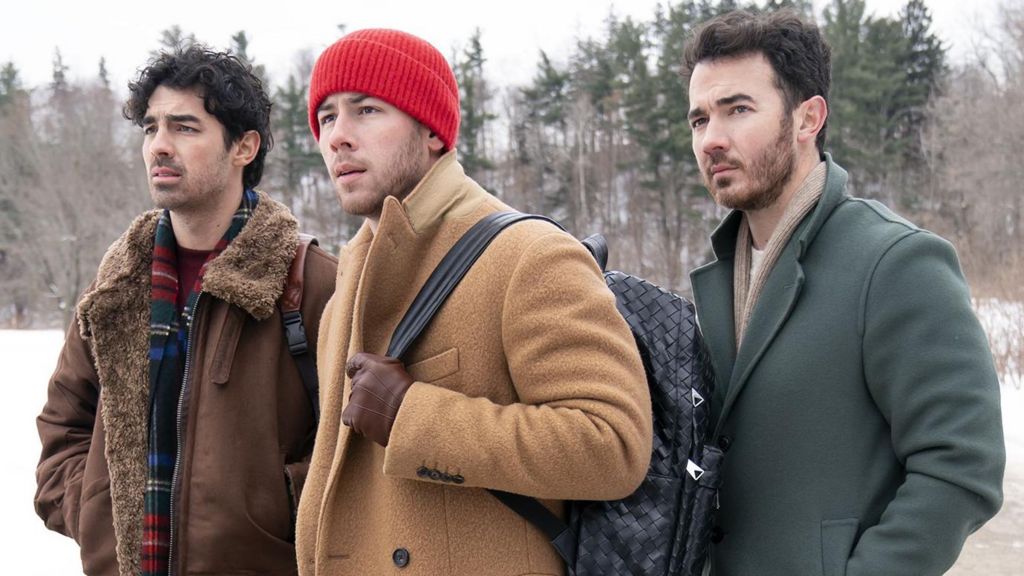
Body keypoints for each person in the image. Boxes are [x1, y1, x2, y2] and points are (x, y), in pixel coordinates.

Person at [294, 28, 652, 575]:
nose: (338, 136)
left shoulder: (528, 255)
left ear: (432, 131)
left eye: (366, 110)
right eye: (326, 118)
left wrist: (413, 417)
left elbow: (612, 445)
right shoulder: (347, 284)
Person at [683, 10, 1005, 576]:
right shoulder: (715, 277)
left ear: (808, 118)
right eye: (699, 119)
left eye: (738, 109)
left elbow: (962, 467)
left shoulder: (896, 262)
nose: (712, 139)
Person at [34, 45, 336, 576]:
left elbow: (350, 454)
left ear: (244, 147)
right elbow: (63, 426)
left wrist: (277, 517)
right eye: (151, 128)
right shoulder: (116, 286)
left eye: (185, 127)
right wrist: (97, 513)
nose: (159, 146)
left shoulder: (309, 283)